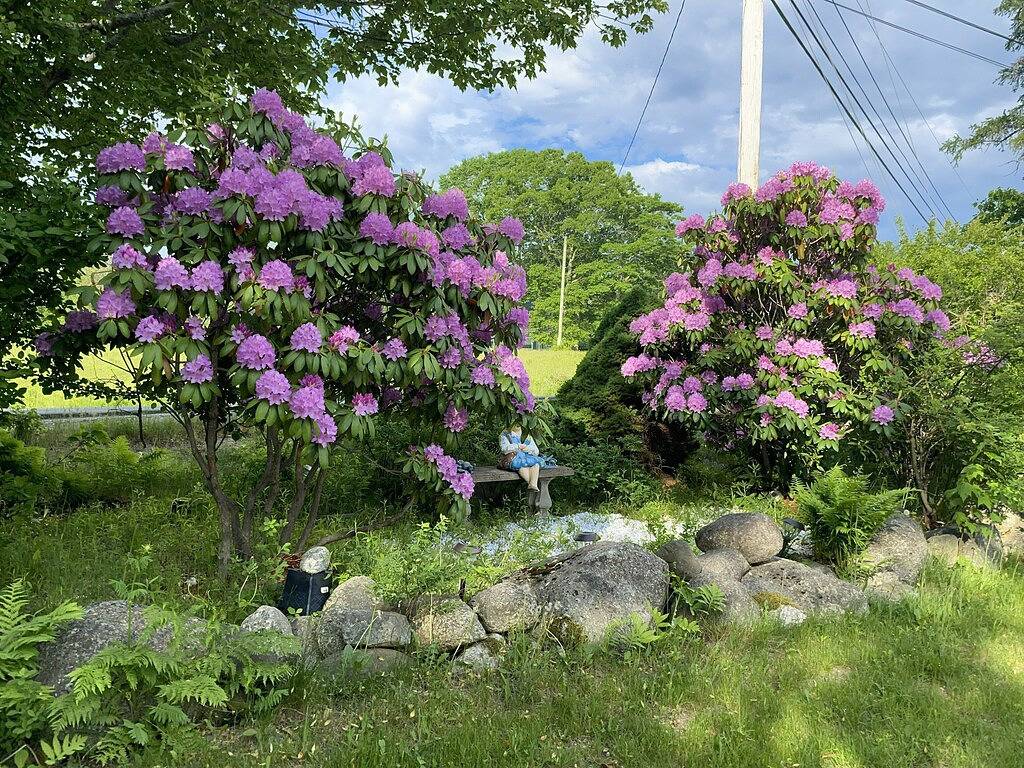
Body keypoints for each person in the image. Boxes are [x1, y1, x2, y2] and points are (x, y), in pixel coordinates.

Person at [498, 425, 541, 491]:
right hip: (513, 458)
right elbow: (504, 449)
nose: (517, 424)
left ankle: (532, 484)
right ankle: (531, 484)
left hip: (526, 457)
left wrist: (527, 448)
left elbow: (536, 451)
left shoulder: (527, 434)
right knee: (522, 467)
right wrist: (518, 446)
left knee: (536, 464)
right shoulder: (506, 434)